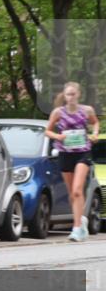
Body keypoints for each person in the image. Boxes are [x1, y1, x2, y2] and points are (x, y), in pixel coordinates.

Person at [45, 82, 100, 241]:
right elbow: (47, 131)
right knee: (72, 194)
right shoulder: (58, 112)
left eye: (73, 94)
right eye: (68, 94)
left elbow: (95, 122)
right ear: (64, 96)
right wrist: (58, 136)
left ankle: (76, 229)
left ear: (78, 95)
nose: (71, 97)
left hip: (83, 153)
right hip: (65, 153)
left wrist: (95, 134)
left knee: (77, 190)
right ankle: (81, 220)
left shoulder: (86, 110)